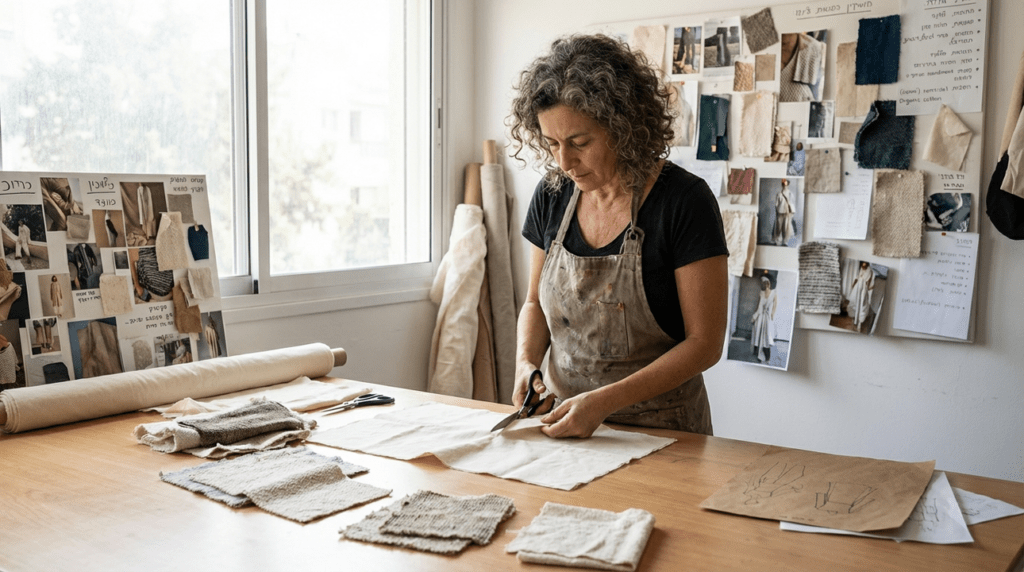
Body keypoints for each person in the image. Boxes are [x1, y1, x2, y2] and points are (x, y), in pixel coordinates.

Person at [509, 34, 729, 438]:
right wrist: (526, 363)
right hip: (564, 427)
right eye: (552, 143)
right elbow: (535, 303)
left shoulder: (684, 202)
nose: (564, 161)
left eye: (579, 142)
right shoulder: (552, 194)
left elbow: (705, 344)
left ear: (623, 126)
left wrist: (604, 402)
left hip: (665, 433)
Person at [750, 275, 778, 363]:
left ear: (769, 284)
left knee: (766, 337)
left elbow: (775, 305)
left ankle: (767, 356)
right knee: (757, 334)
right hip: (760, 316)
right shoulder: (761, 293)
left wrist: (772, 314)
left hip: (767, 318)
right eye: (764, 284)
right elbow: (758, 307)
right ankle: (756, 352)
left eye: (766, 284)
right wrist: (754, 317)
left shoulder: (774, 293)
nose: (765, 286)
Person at [848, 261, 875, 331]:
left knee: (862, 305)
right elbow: (858, 277)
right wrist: (854, 283)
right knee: (854, 302)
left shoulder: (870, 271)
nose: (863, 265)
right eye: (862, 264)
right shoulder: (861, 268)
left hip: (863, 289)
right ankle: (855, 320)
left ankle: (860, 323)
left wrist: (869, 287)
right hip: (857, 288)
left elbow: (869, 283)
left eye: (864, 264)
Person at [773, 179, 796, 246]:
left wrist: (792, 213)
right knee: (778, 227)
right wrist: (776, 212)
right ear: (782, 185)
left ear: (788, 185)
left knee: (786, 228)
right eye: (784, 185)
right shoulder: (779, 194)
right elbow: (776, 204)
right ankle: (777, 241)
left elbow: (792, 203)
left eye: (786, 185)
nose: (785, 186)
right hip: (780, 212)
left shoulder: (790, 194)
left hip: (787, 213)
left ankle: (785, 241)